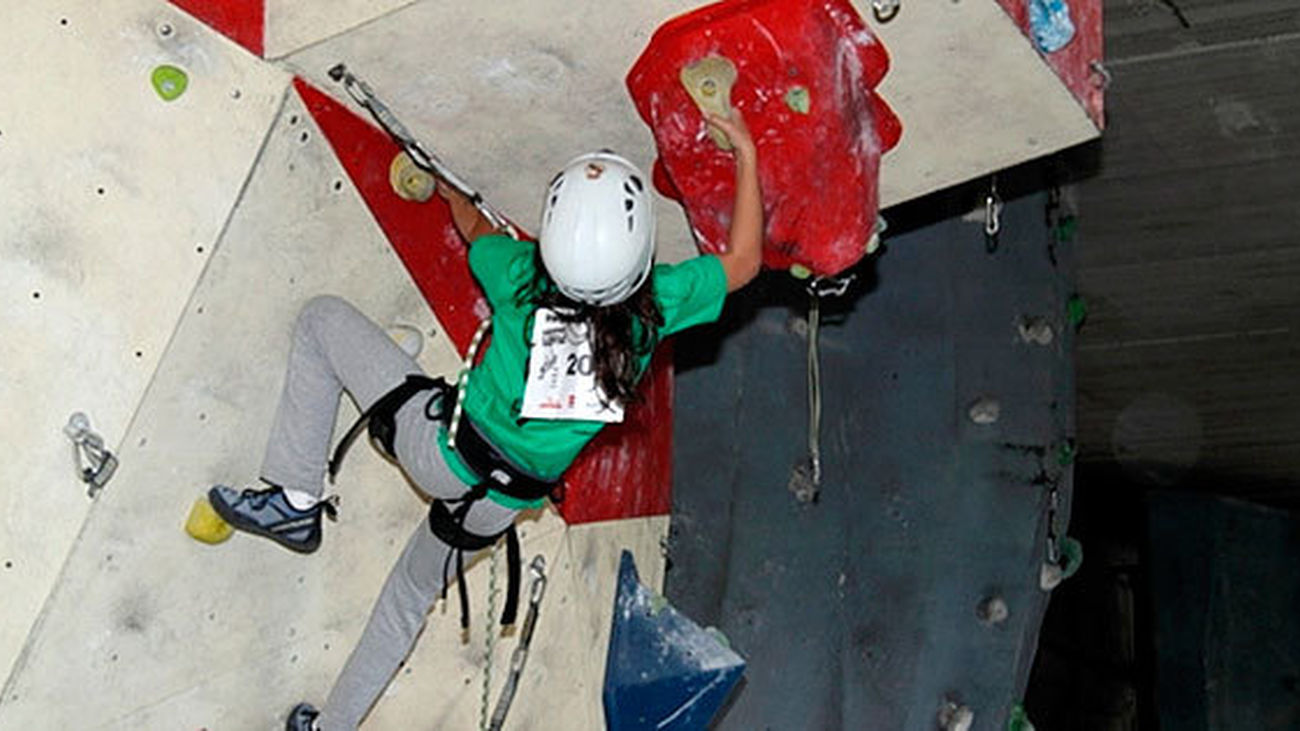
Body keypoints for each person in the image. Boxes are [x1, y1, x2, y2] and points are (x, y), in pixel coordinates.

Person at [207, 111, 762, 731]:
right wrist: (744, 148)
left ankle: (295, 496)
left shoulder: (521, 278)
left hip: (438, 449)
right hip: (499, 508)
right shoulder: (655, 311)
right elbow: (743, 262)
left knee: (321, 322)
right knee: (407, 602)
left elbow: (473, 229)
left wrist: (449, 191)